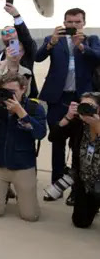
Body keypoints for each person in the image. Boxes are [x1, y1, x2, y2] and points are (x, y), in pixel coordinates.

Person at [35, 8, 100, 202]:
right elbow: (38, 57)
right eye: (69, 22)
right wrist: (51, 43)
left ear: (83, 23)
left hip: (82, 98)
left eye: (77, 22)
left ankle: (76, 190)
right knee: (57, 141)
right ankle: (57, 186)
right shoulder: (54, 38)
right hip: (58, 98)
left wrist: (81, 47)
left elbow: (98, 57)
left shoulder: (91, 39)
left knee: (79, 143)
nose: (73, 25)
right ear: (64, 22)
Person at [0, 74, 47, 221]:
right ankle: (2, 190)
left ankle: (19, 193)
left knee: (30, 216)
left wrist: (21, 113)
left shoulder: (34, 108)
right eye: (4, 91)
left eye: (12, 92)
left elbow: (40, 133)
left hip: (23, 166)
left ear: (23, 89)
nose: (8, 96)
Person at [45, 92, 100, 227]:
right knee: (80, 222)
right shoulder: (78, 123)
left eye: (90, 106)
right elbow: (53, 137)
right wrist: (68, 117)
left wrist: (97, 126)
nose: (86, 109)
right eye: (83, 105)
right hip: (85, 180)